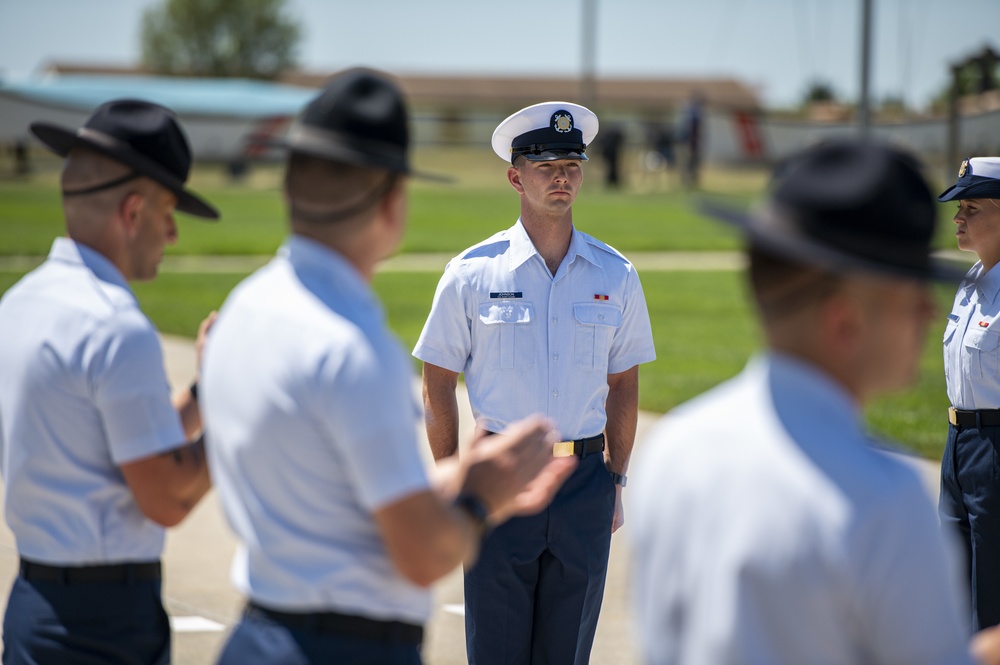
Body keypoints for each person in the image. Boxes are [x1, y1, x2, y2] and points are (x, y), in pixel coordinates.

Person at [200, 68, 577, 665]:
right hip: (344, 647)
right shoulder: (351, 349)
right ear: (392, 201)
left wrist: (458, 476)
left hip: (259, 632)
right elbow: (424, 553)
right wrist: (480, 495)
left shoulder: (247, 307)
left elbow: (339, 491)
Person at [629, 140, 1000, 665]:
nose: (926, 313)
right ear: (845, 320)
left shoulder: (675, 449)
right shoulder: (881, 499)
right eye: (911, 293)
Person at [413, 101, 656, 664]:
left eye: (572, 165)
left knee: (567, 654)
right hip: (501, 482)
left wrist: (615, 480)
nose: (562, 177)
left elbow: (623, 382)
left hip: (584, 485)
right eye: (546, 166)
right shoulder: (472, 273)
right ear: (515, 176)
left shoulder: (614, 273)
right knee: (496, 651)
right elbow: (437, 383)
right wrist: (457, 479)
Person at [0, 99, 218, 664]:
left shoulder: (20, 303)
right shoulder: (117, 325)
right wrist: (240, 413)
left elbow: (120, 437)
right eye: (169, 212)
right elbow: (167, 497)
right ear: (133, 211)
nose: (171, 234)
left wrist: (203, 392)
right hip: (102, 623)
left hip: (33, 602)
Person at [938, 156, 1000, 633]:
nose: (958, 217)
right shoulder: (972, 281)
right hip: (958, 443)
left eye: (972, 207)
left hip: (995, 448)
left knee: (990, 595)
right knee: (951, 588)